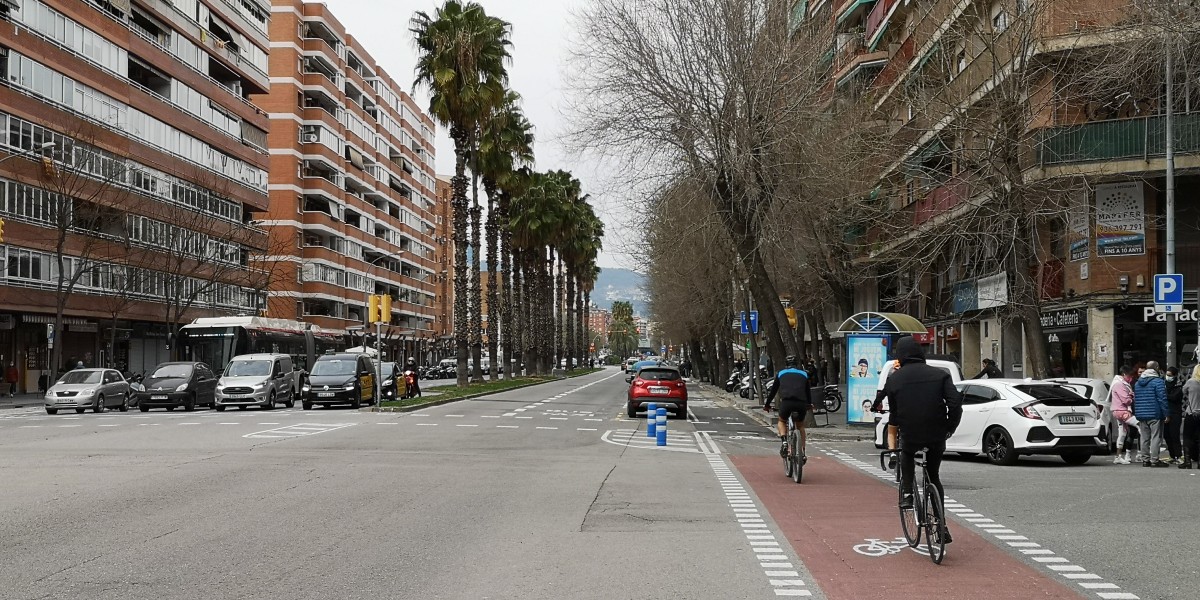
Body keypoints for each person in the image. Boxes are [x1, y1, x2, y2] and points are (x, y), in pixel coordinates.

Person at [883, 336, 963, 543]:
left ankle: (907, 493)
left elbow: (894, 414)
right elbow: (955, 403)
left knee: (907, 453)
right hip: (937, 433)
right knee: (934, 476)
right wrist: (949, 427)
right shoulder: (940, 375)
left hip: (911, 433)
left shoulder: (894, 380)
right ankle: (942, 526)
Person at [762, 355, 815, 463]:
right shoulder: (804, 374)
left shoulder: (781, 373)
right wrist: (809, 404)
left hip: (787, 403)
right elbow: (807, 392)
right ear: (797, 364)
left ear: (786, 364)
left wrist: (767, 405)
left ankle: (784, 441)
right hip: (801, 404)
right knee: (800, 426)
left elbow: (773, 391)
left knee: (782, 421)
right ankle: (802, 453)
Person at [1133, 361, 1169, 467]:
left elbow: (1136, 399)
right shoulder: (1158, 382)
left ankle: (1145, 460)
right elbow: (1162, 399)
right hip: (1155, 413)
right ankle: (1154, 460)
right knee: (1155, 437)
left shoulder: (1138, 383)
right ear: (1156, 367)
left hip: (1141, 413)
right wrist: (1166, 413)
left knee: (1144, 438)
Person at [1110, 365, 1139, 464]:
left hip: (1118, 411)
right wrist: (1132, 397)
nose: (1131, 378)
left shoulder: (1119, 383)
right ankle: (1147, 452)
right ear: (1124, 374)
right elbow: (1126, 400)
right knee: (1140, 425)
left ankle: (1118, 456)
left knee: (1122, 433)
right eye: (1129, 376)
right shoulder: (1120, 384)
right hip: (1122, 411)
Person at [1165, 366, 1185, 465]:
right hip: (1165, 413)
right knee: (1166, 435)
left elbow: (1174, 397)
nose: (1168, 377)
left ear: (1175, 375)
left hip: (1175, 413)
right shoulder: (1163, 384)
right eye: (1167, 375)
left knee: (1174, 435)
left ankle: (1178, 455)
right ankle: (1172, 455)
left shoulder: (1179, 385)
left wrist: (1164, 395)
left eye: (1170, 375)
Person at [1181, 365, 1200, 469]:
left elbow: (1184, 391)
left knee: (1187, 437)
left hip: (1191, 413)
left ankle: (1187, 461)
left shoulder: (1191, 382)